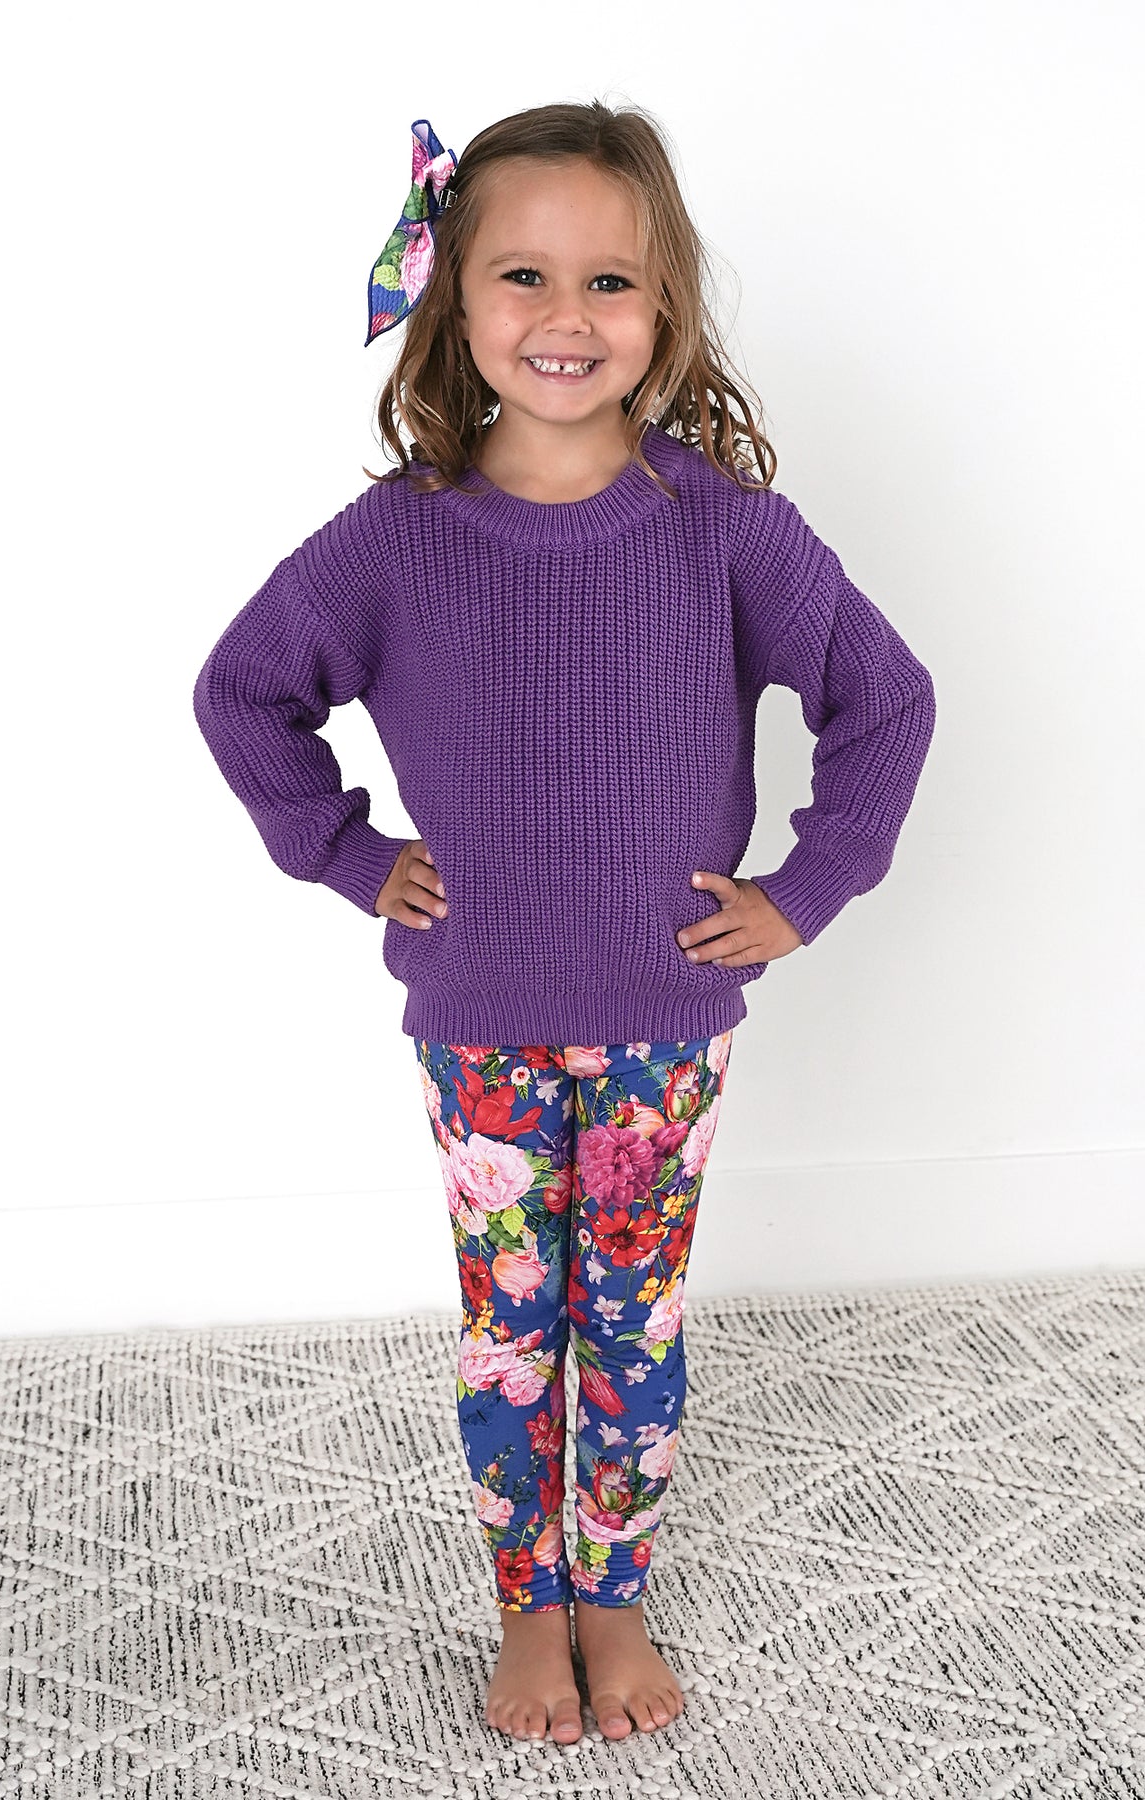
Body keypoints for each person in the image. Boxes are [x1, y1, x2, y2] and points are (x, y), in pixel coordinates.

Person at [192, 101, 937, 1748]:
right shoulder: (396, 538)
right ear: (454, 296)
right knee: (513, 1333)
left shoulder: (725, 526)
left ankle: (617, 1595)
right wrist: (344, 853)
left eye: (611, 280)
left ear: (665, 308)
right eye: (523, 274)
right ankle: (528, 1604)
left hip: (668, 1014)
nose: (567, 316)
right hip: (480, 1013)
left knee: (633, 1324)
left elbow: (885, 698)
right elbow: (243, 691)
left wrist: (805, 889)